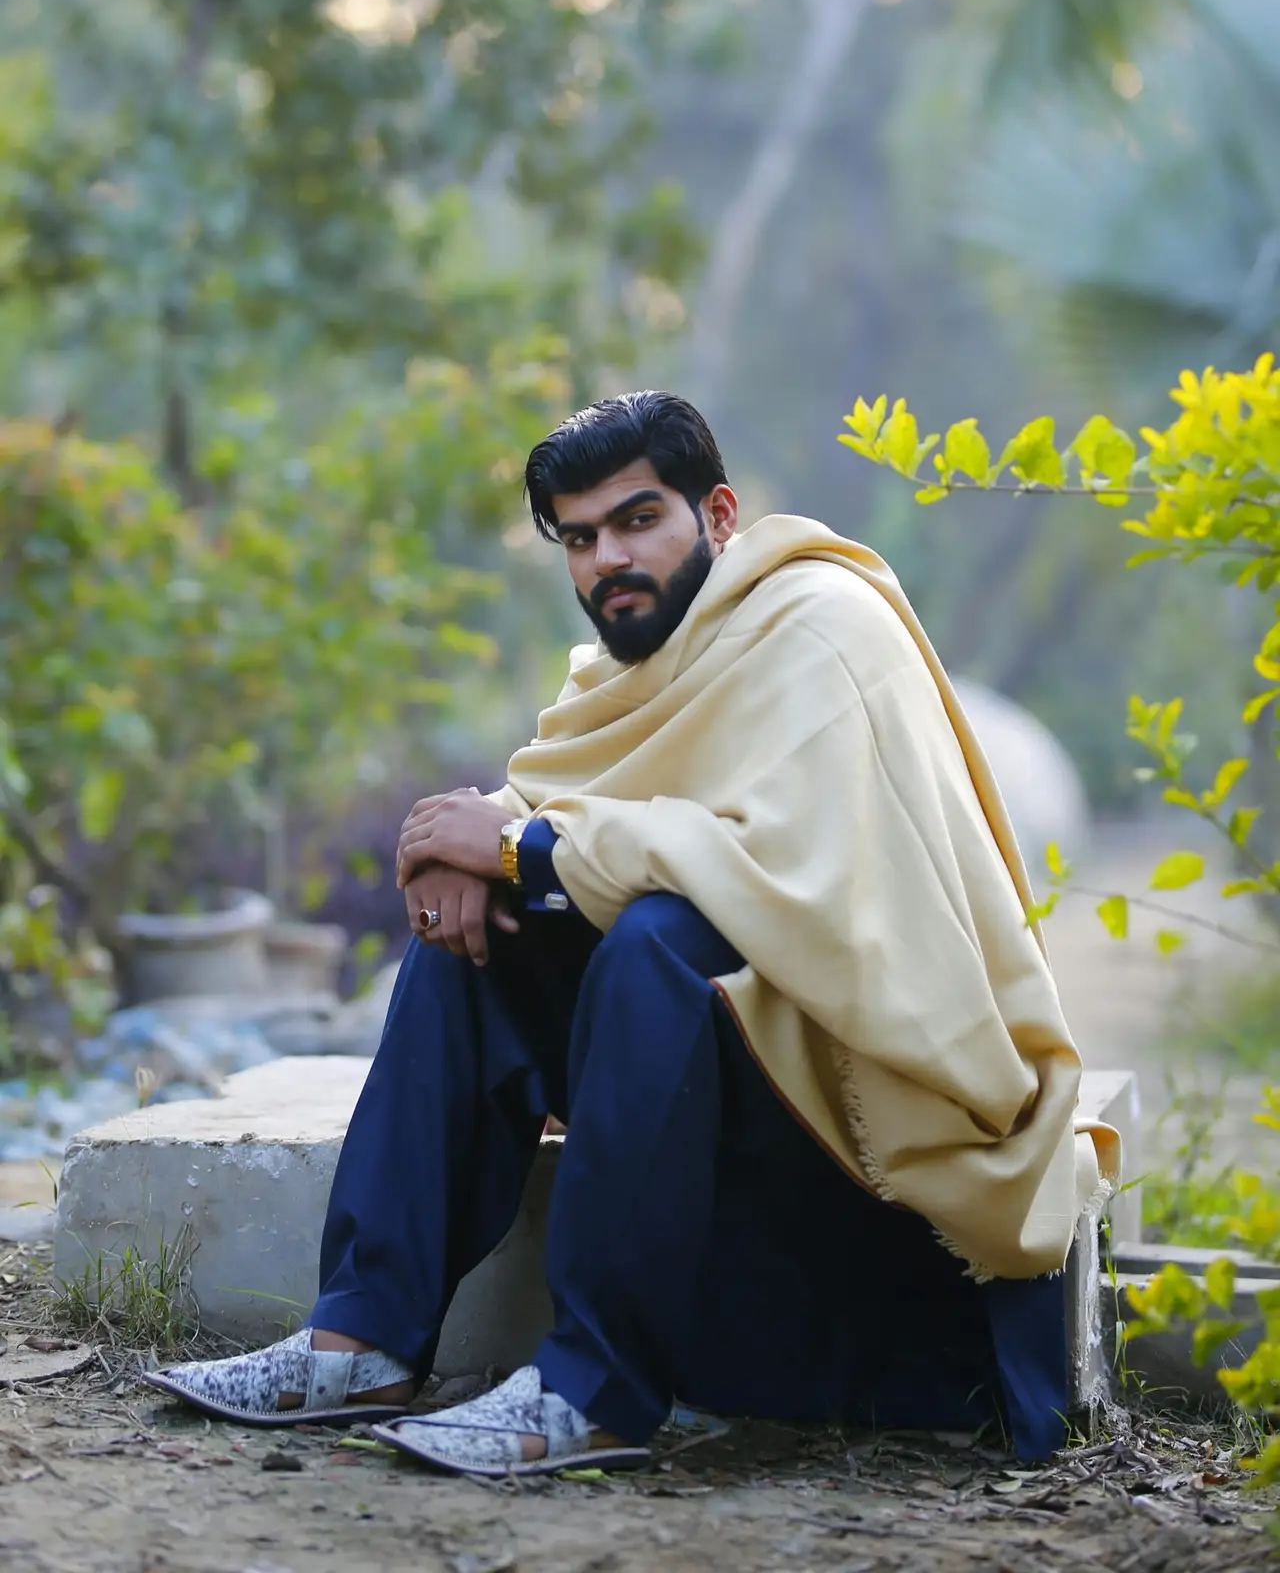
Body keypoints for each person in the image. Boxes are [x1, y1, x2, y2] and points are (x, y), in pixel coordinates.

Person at [145, 391, 1118, 1477]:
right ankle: (360, 1340)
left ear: (716, 514)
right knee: (489, 936)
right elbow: (560, 813)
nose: (608, 556)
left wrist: (519, 848)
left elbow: (786, 882)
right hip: (741, 1103)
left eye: (636, 520)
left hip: (879, 1129)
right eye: (578, 537)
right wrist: (470, 852)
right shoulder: (625, 675)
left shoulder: (824, 630)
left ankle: (591, 1393)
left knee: (659, 938)